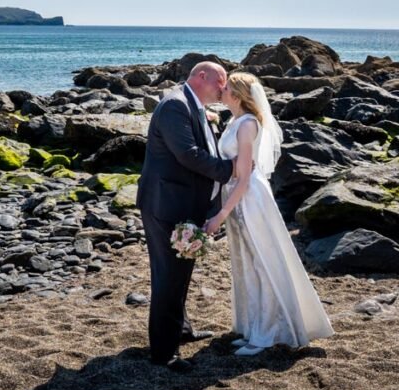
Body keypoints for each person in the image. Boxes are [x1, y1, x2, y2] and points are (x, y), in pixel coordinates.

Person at [204, 73, 334, 356]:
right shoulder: (234, 120)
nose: (220, 92)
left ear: (237, 96)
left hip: (249, 199)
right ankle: (255, 329)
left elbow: (245, 175)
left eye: (225, 89)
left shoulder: (247, 124)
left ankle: (266, 336)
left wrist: (221, 214)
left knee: (262, 263)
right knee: (247, 264)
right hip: (237, 198)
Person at [136, 61, 234, 373]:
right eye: (220, 84)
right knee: (168, 277)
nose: (222, 91)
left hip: (182, 203)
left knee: (181, 272)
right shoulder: (174, 106)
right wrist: (231, 171)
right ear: (201, 77)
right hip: (166, 205)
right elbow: (188, 154)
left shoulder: (193, 104)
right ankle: (164, 353)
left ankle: (181, 329)